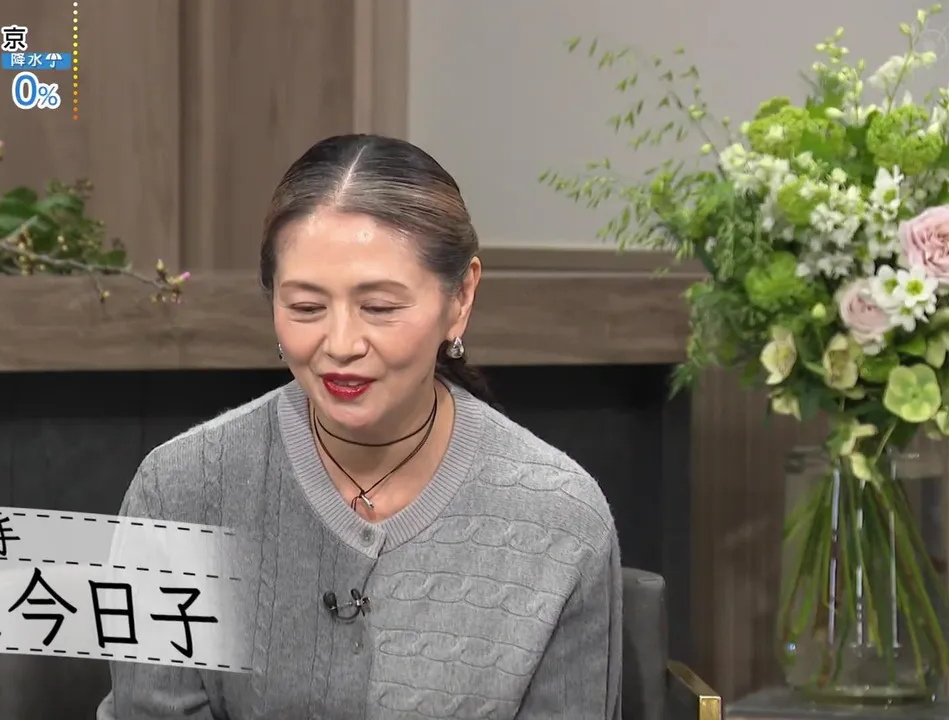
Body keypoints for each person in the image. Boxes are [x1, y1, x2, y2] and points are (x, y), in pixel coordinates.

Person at [96, 134, 622, 719]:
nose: (341, 345)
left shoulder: (559, 515)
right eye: (306, 308)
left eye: (379, 308)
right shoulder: (180, 489)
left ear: (460, 297)